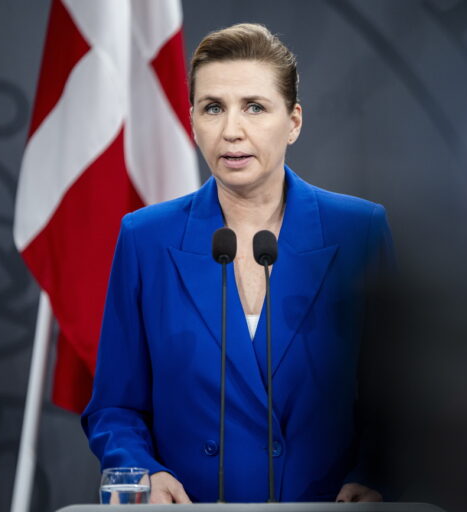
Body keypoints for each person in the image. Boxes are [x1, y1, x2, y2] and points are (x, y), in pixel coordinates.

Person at [82, 23, 394, 503]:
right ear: (191, 120)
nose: (231, 131)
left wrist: (374, 475)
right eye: (213, 108)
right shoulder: (145, 238)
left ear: (293, 121)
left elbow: (399, 402)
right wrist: (140, 470)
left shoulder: (358, 232)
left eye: (254, 107)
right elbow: (115, 407)